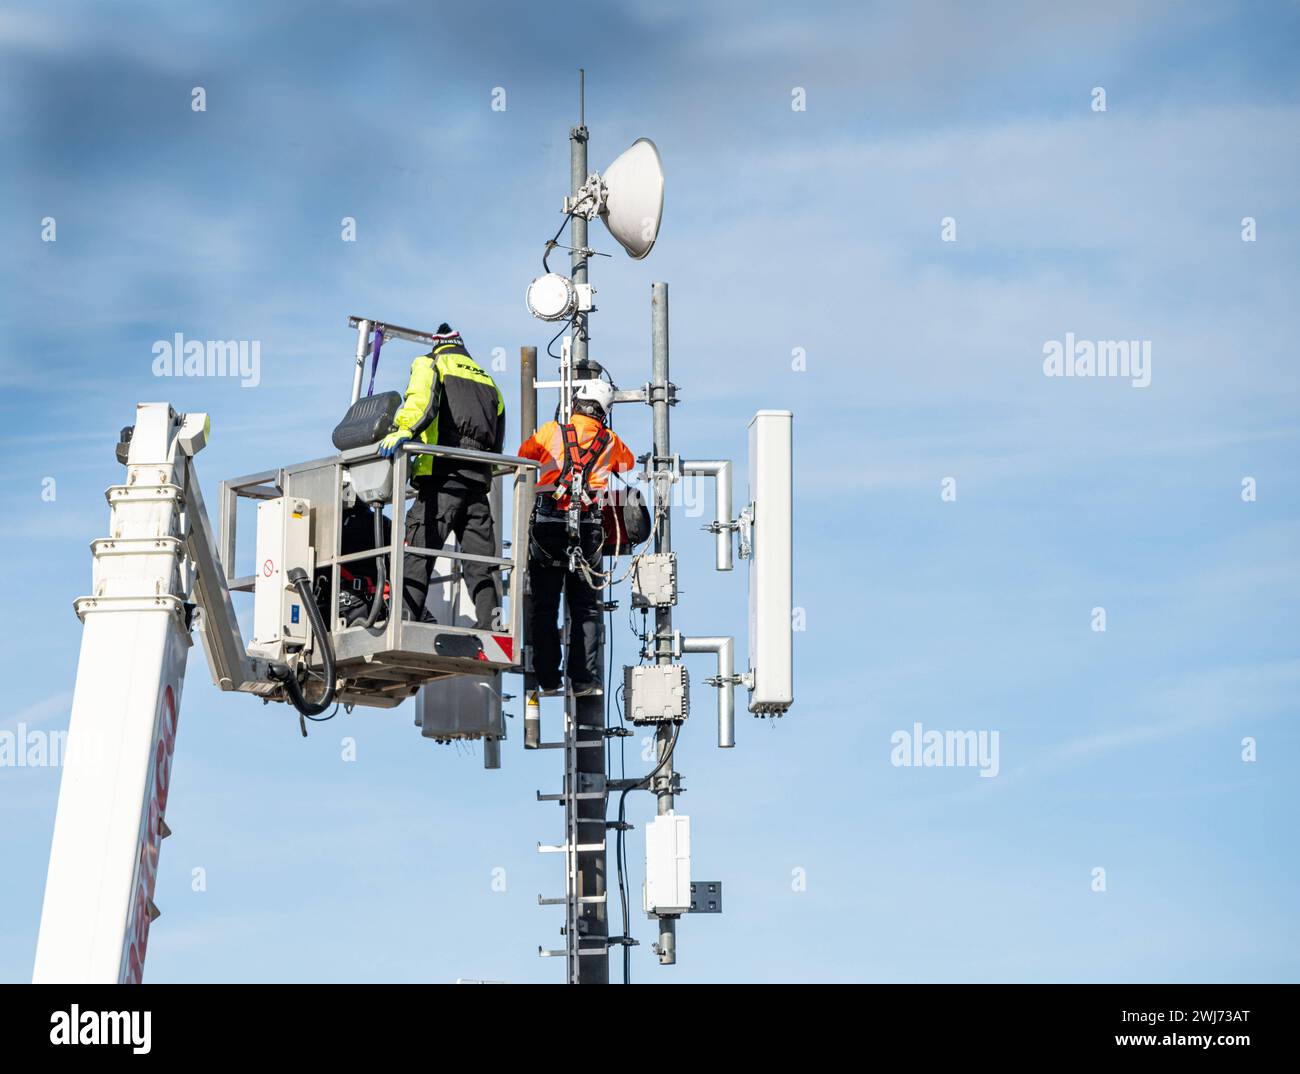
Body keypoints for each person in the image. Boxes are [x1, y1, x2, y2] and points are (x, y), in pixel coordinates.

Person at [379, 324, 505, 629]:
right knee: (481, 563)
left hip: (442, 477)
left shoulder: (431, 363)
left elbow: (421, 402)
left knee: (418, 553)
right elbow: (498, 440)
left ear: (438, 346)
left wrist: (403, 431)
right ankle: (493, 624)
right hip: (478, 483)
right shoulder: (488, 380)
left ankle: (405, 619)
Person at [517, 379, 635, 695]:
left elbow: (524, 453)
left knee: (544, 606)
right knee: (586, 608)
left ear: (577, 401)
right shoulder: (610, 441)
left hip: (548, 529)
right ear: (604, 411)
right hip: (587, 531)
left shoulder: (550, 432)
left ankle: (548, 677)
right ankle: (582, 680)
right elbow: (629, 463)